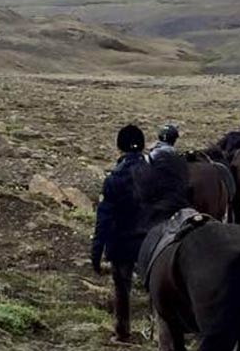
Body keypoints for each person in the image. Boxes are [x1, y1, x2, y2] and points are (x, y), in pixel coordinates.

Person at [91, 125, 149, 345]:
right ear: (142, 145)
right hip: (151, 241)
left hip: (122, 242)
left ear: (119, 146)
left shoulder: (113, 179)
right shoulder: (155, 175)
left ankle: (122, 332)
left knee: (122, 288)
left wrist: (96, 252)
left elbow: (103, 219)